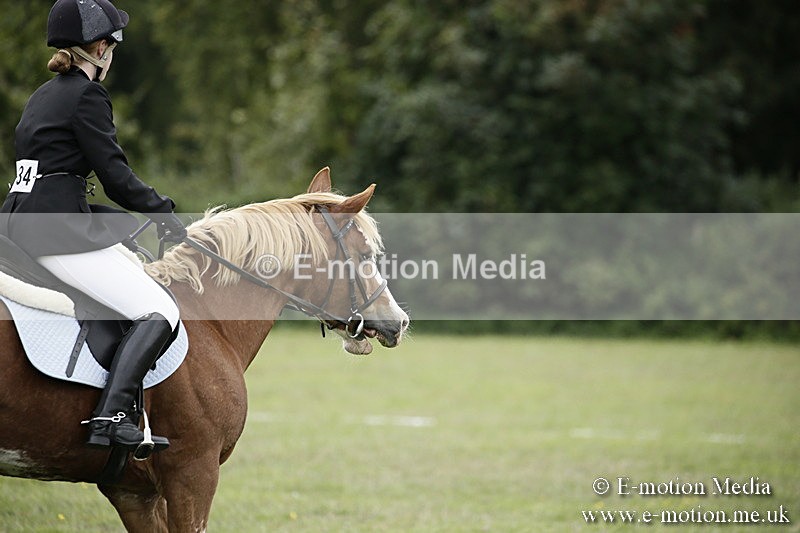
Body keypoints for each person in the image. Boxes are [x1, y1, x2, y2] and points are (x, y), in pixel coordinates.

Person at [0, 0, 186, 453]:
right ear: (101, 48)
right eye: (112, 47)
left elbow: (51, 174)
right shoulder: (88, 96)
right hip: (53, 233)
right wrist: (164, 211)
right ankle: (112, 415)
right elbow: (116, 177)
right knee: (160, 311)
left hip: (18, 222)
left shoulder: (41, 96)